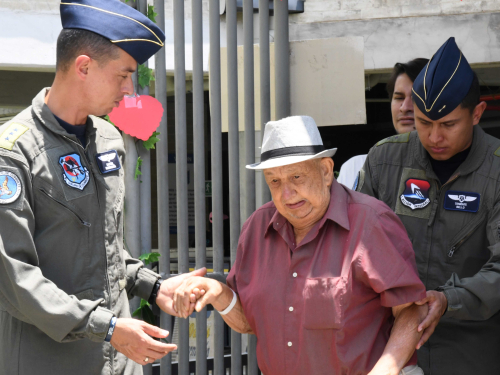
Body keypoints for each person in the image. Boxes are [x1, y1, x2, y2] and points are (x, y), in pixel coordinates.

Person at [0, 1, 205, 374]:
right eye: (123, 75)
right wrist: (107, 328)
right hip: (49, 361)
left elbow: (103, 247)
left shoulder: (109, 139)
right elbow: (14, 280)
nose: (129, 90)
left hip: (120, 361)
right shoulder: (14, 154)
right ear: (83, 66)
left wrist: (155, 287)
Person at [171, 116, 429, 375]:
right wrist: (217, 292)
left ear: (326, 171)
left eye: (296, 176)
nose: (286, 193)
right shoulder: (256, 229)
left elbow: (411, 310)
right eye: (275, 181)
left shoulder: (371, 223)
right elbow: (250, 322)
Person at [357, 37, 500, 374]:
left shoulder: (496, 171)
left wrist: (448, 300)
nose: (434, 137)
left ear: (477, 113)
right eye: (424, 123)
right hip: (390, 349)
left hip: (470, 351)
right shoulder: (385, 159)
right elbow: (354, 248)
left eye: (448, 124)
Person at [337, 58, 429, 189]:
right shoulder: (356, 167)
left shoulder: (456, 170)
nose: (405, 107)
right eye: (399, 98)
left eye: (416, 98)